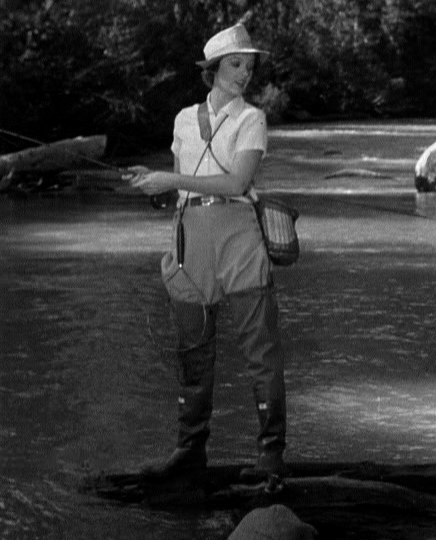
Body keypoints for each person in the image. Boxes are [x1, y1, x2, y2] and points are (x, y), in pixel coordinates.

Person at [124, 23, 288, 478]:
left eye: (249, 66)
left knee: (261, 350)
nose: (244, 74)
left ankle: (271, 457)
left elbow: (237, 183)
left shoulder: (252, 118)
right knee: (192, 351)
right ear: (213, 69)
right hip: (189, 236)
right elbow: (179, 188)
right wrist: (153, 186)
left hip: (238, 236)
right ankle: (190, 451)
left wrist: (172, 180)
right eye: (236, 65)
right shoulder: (182, 119)